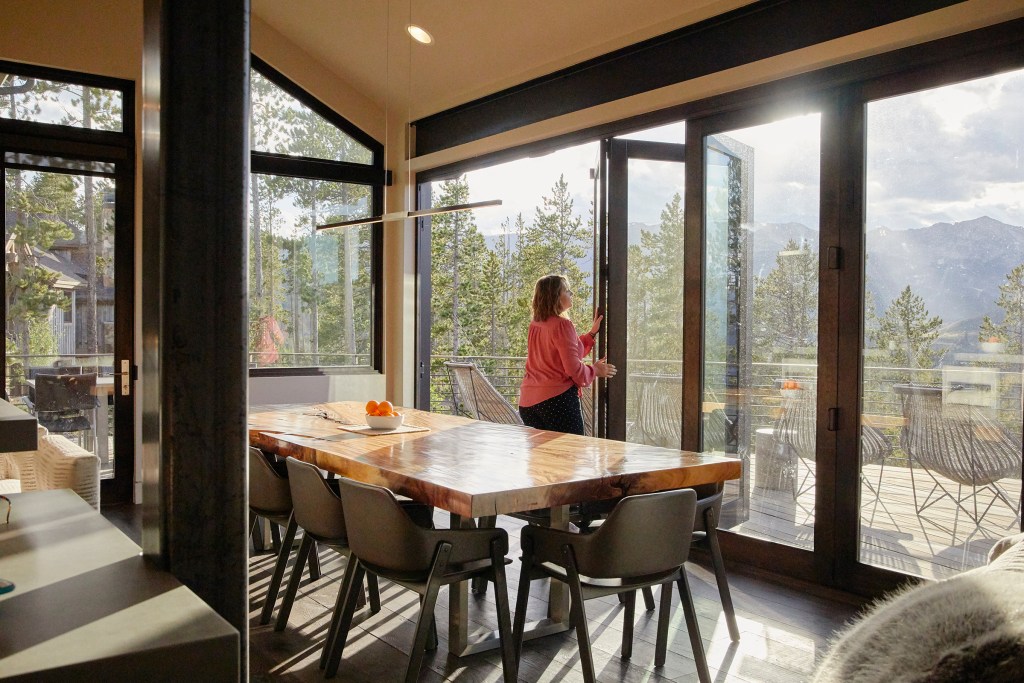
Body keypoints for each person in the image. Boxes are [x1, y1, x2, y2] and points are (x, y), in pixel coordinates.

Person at [518, 274, 616, 434]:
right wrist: (596, 370)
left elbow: (565, 354)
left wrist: (591, 334)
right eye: (567, 290)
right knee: (572, 455)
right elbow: (573, 369)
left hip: (528, 404)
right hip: (555, 402)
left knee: (543, 457)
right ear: (556, 296)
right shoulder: (563, 325)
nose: (571, 294)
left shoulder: (536, 324)